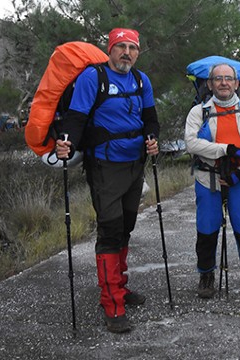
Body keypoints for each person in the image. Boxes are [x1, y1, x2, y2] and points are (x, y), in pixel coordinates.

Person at [55, 28, 160, 333]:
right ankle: (111, 301)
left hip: (134, 164)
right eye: (121, 47)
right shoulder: (94, 78)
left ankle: (120, 286)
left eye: (132, 48)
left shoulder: (142, 80)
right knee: (110, 230)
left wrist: (152, 138)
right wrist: (67, 143)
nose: (127, 52)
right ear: (110, 49)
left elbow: (150, 118)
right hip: (105, 165)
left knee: (126, 226)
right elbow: (76, 118)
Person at [184, 62, 240, 299]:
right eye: (218, 78)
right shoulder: (198, 112)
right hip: (207, 178)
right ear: (210, 84)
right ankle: (206, 276)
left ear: (235, 83)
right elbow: (191, 143)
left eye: (228, 78)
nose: (223, 82)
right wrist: (226, 150)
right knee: (207, 226)